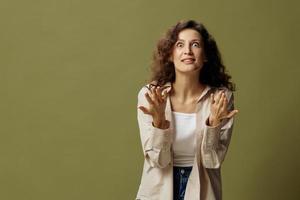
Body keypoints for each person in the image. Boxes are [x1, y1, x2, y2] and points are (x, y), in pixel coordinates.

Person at [135, 19, 239, 200]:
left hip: (203, 191)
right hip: (157, 191)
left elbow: (213, 160)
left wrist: (213, 124)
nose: (188, 51)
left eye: (195, 45)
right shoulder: (151, 96)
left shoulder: (220, 99)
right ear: (169, 54)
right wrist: (159, 123)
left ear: (205, 55)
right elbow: (157, 160)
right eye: (180, 45)